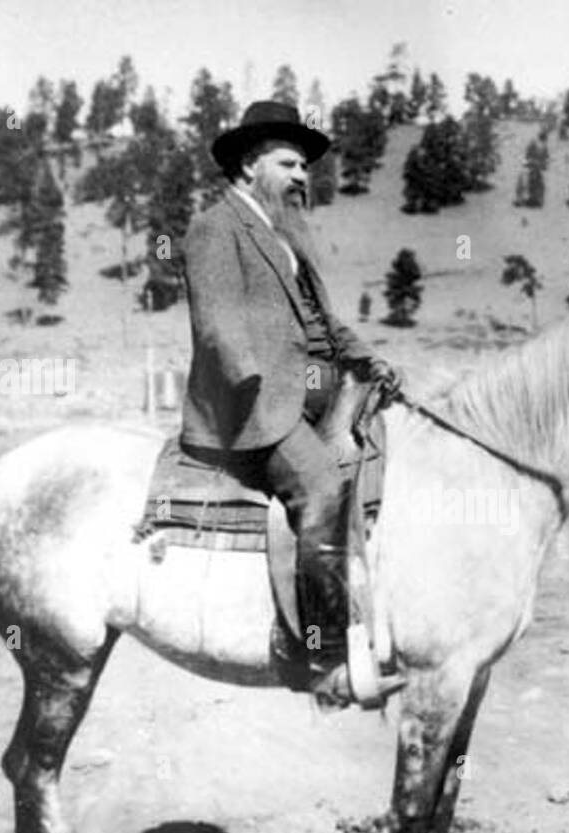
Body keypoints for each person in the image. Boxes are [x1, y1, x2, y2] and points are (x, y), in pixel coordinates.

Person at [179, 101, 401, 703]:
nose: (303, 176)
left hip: (311, 402)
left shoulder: (286, 235)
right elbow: (218, 326)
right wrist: (257, 384)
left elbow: (324, 322)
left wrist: (368, 362)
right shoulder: (215, 227)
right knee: (323, 487)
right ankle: (323, 657)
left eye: (305, 166)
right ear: (250, 165)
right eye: (290, 163)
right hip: (251, 414)